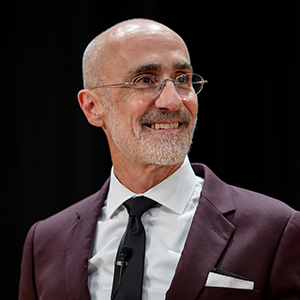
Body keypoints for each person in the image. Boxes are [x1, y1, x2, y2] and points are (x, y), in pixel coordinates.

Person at [19, 18, 300, 300]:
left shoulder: (275, 230)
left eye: (182, 80)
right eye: (145, 80)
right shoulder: (45, 242)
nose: (173, 101)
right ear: (92, 107)